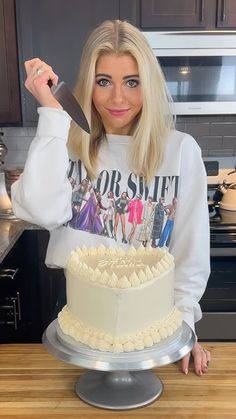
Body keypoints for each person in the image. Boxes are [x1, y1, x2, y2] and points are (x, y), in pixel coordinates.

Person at [11, 19, 211, 376]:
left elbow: (189, 256)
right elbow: (40, 210)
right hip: (80, 316)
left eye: (132, 82)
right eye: (104, 82)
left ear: (148, 84)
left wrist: (182, 329)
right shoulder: (66, 142)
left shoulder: (181, 152)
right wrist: (52, 113)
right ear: (89, 85)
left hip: (154, 320)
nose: (118, 98)